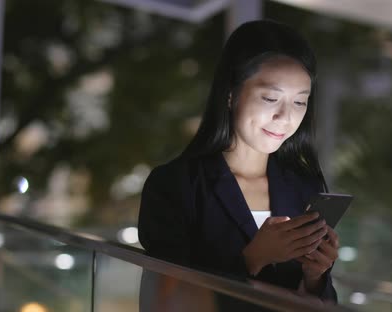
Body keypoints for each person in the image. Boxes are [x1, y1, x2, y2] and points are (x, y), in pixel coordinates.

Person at [137, 20, 339, 303]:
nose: (285, 117)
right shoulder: (175, 186)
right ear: (231, 93)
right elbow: (165, 303)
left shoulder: (305, 186)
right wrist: (252, 259)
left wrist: (315, 278)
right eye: (270, 98)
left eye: (299, 102)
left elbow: (321, 303)